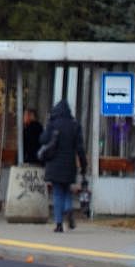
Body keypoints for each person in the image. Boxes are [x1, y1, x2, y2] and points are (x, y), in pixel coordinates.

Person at [37, 99, 83, 232]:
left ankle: (58, 224)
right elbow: (80, 148)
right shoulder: (75, 125)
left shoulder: (53, 124)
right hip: (69, 164)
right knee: (66, 189)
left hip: (54, 164)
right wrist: (83, 166)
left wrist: (48, 125)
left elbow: (43, 140)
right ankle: (68, 208)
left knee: (57, 192)